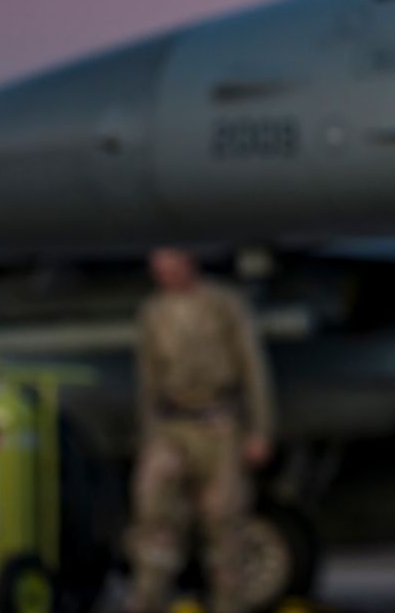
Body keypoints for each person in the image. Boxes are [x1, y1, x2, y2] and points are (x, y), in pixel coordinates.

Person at [124, 247, 276, 613]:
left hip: (219, 425)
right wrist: (149, 438)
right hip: (172, 426)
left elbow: (252, 368)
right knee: (154, 514)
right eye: (159, 265)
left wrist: (260, 429)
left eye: (172, 263)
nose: (165, 272)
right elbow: (146, 380)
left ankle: (228, 604)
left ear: (189, 261)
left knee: (224, 524)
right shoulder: (153, 313)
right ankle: (148, 599)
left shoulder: (224, 304)